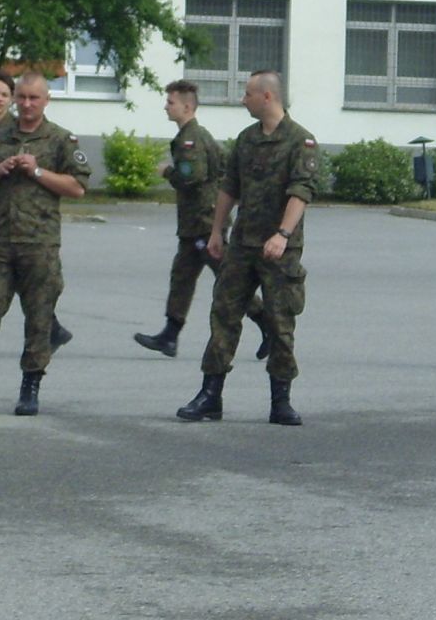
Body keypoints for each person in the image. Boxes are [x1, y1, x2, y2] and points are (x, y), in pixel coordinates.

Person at [176, 70, 319, 426]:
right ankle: (210, 395)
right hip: (242, 244)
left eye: (248, 94)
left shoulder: (300, 141)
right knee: (223, 316)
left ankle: (281, 400)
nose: (243, 100)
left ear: (267, 97)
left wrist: (282, 234)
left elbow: (301, 192)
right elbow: (229, 187)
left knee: (280, 322)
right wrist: (216, 231)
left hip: (279, 250)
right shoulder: (246, 139)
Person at [0, 70, 89, 417]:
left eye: (34, 98)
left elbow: (77, 187)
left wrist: (37, 171)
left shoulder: (60, 140)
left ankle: (30, 387)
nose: (27, 104)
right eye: (22, 97)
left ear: (46, 100)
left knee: (39, 318)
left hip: (39, 244)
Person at [135, 79, 267, 359]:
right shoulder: (195, 134)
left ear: (187, 107)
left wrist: (168, 172)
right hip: (195, 223)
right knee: (182, 277)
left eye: (170, 102)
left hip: (204, 224)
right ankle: (170, 335)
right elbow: (223, 167)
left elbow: (192, 177)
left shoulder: (190, 139)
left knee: (229, 280)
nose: (166, 107)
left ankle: (267, 322)